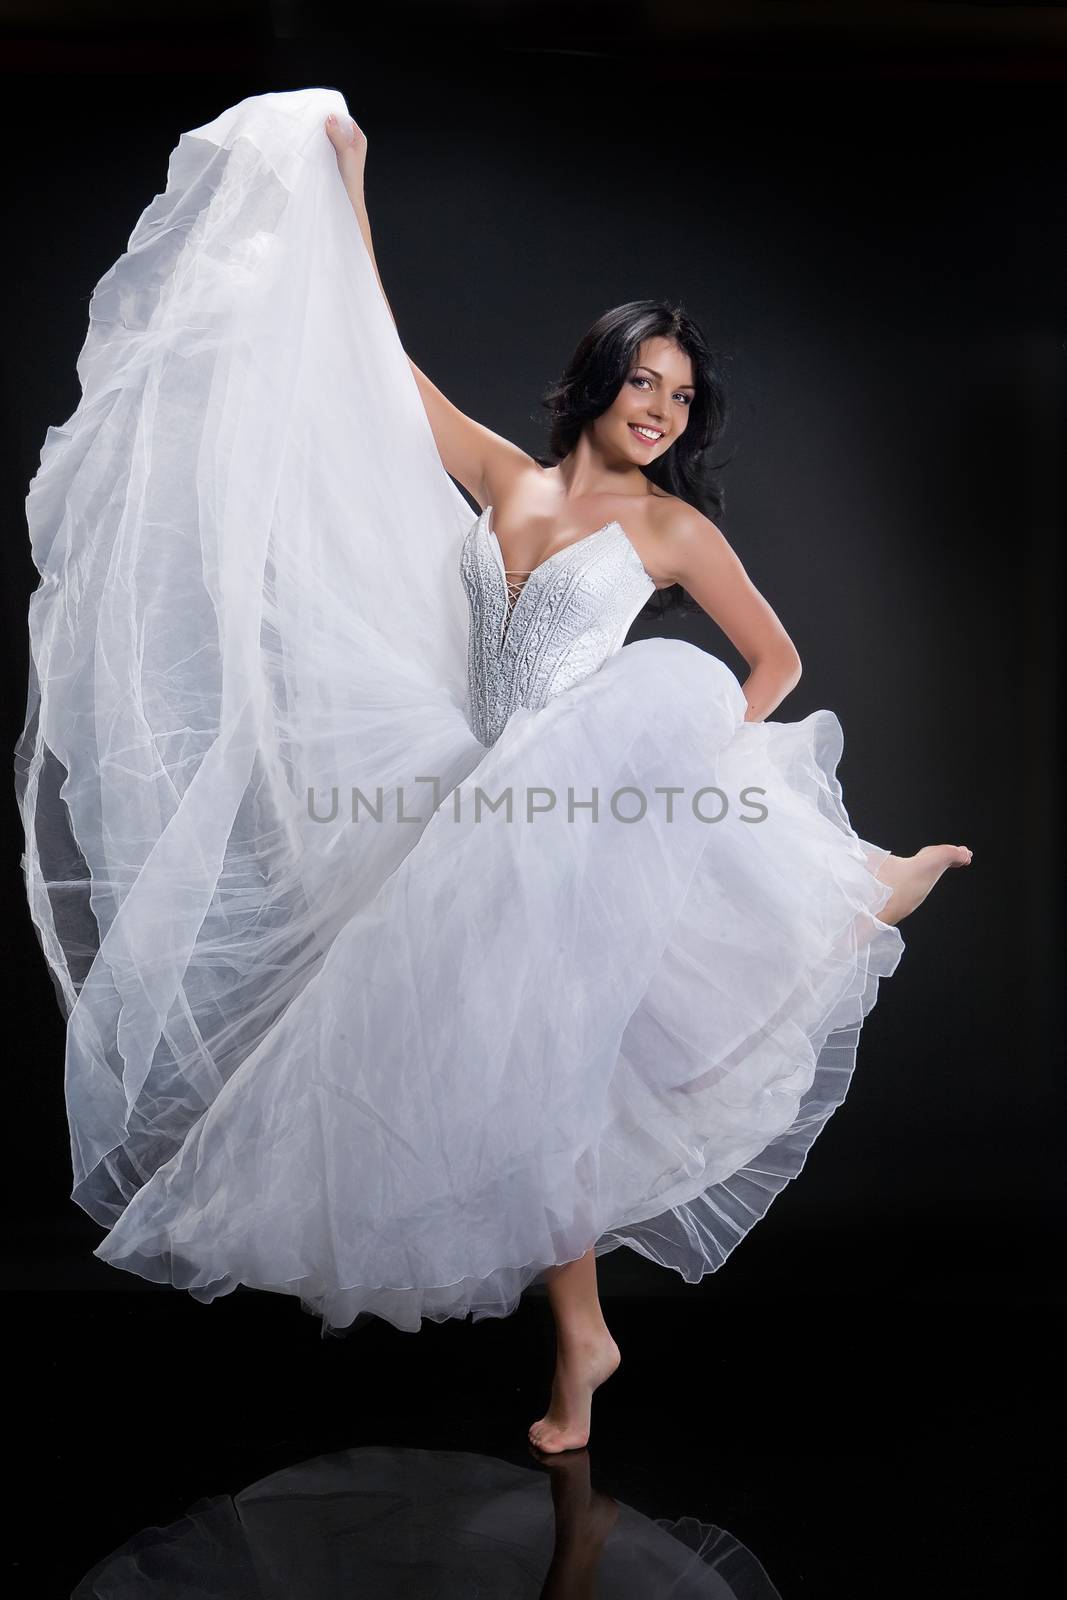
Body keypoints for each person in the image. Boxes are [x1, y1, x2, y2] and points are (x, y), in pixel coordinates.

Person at [16, 89, 971, 1456]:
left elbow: (775, 663)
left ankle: (859, 890)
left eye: (682, 396)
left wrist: (711, 777)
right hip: (464, 796)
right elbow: (376, 363)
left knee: (566, 1031)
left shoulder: (672, 530)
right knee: (515, 1075)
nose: (661, 408)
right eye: (644, 380)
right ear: (598, 379)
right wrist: (348, 187)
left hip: (575, 803)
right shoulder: (505, 477)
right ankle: (583, 1330)